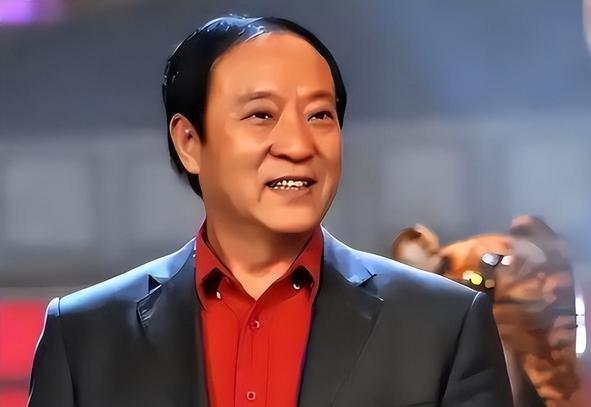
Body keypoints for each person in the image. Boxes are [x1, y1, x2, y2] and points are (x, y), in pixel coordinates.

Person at [28, 16, 513, 407]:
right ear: (189, 142)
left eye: (320, 115)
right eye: (261, 115)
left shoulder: (443, 324)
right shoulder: (84, 335)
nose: (298, 146)